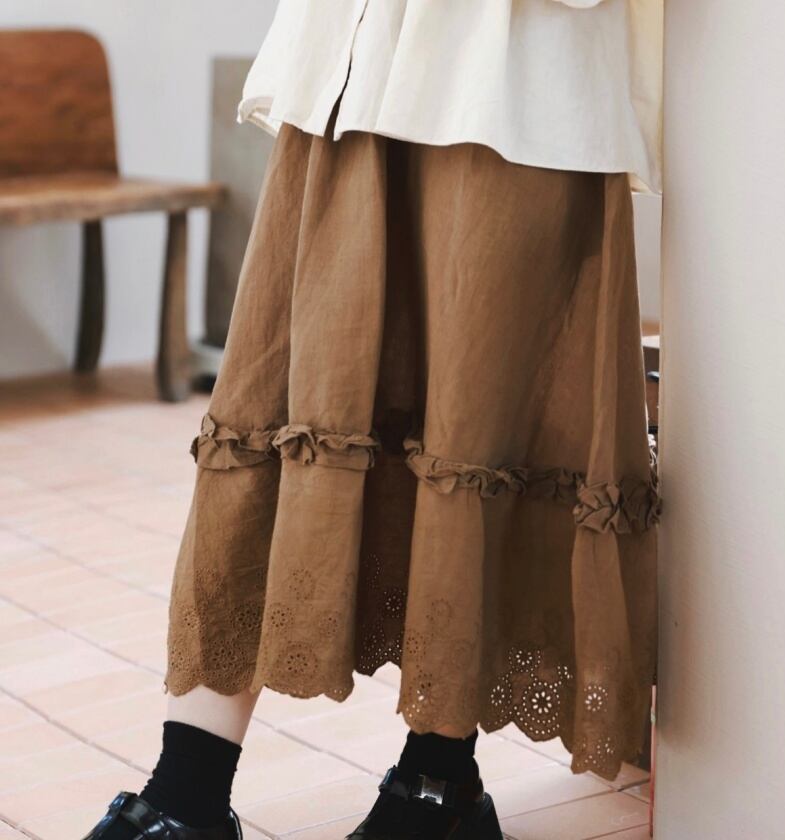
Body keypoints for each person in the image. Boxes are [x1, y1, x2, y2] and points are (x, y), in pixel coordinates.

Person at [83, 0, 663, 837]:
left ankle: (436, 785)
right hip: (352, 75)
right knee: (285, 412)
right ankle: (186, 793)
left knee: (478, 429)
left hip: (516, 91)